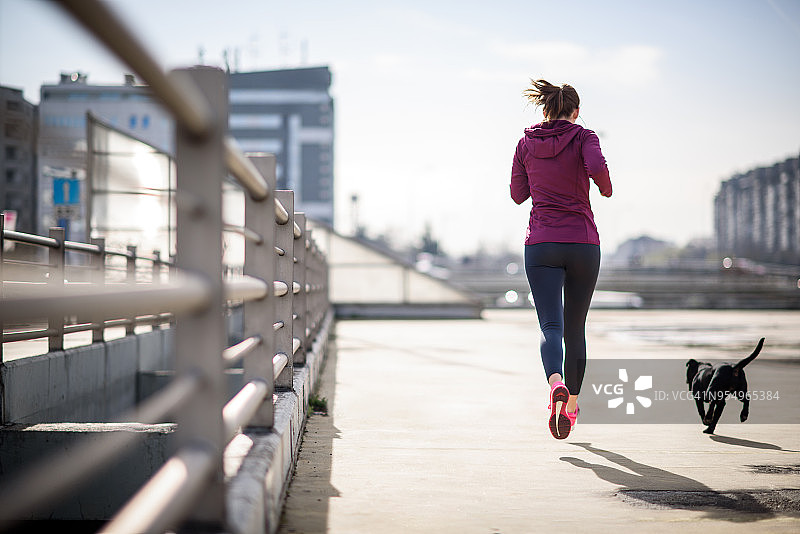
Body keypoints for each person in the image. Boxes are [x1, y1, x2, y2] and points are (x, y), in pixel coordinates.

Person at [510, 79, 612, 440]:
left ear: (545, 109)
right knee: (575, 328)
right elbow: (598, 168)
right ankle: (571, 405)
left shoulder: (526, 143)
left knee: (549, 327)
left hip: (540, 244)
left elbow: (517, 195)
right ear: (576, 111)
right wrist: (604, 185)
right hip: (583, 243)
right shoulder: (585, 137)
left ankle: (555, 383)